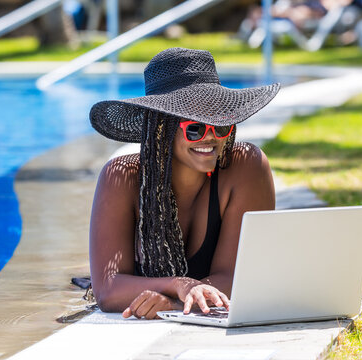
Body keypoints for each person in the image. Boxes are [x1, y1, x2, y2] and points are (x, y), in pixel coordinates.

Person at [88, 48, 280, 320]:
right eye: (195, 128)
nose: (211, 138)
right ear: (161, 129)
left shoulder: (246, 168)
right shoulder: (122, 177)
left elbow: (237, 277)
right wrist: (178, 285)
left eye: (220, 126)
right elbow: (107, 290)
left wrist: (176, 304)